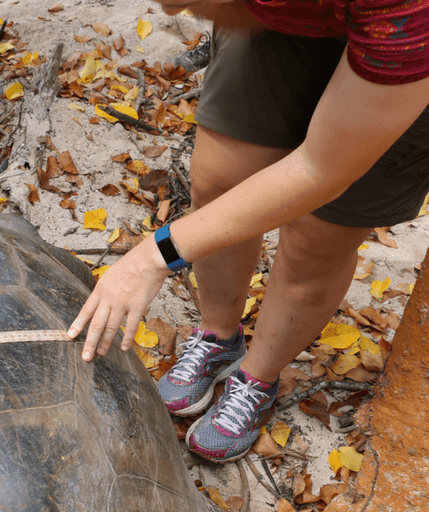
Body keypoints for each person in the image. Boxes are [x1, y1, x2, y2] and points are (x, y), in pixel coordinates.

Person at [68, 0, 429, 463]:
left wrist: (154, 254)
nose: (175, 9)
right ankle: (219, 337)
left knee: (318, 234)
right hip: (288, 15)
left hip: (403, 51)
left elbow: (321, 168)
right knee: (220, 180)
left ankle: (258, 377)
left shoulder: (405, 14)